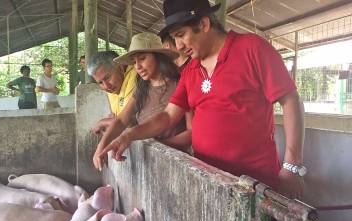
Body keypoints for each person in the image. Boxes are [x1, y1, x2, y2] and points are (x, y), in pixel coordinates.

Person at [98, 0, 305, 199]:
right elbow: (168, 116)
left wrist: (291, 166)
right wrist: (129, 135)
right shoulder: (190, 71)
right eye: (174, 38)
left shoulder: (252, 48)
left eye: (181, 35)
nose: (178, 46)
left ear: (204, 24)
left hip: (254, 183)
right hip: (208, 179)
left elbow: (291, 101)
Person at [92, 32, 192, 171]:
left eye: (143, 58)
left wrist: (160, 146)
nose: (137, 66)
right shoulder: (142, 89)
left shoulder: (181, 84)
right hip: (152, 164)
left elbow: (191, 133)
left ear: (159, 57)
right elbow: (121, 121)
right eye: (134, 62)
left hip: (178, 165)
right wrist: (100, 147)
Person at [87, 51, 138, 134]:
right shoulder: (114, 86)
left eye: (107, 78)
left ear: (121, 67)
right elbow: (119, 120)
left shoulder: (135, 74)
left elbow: (128, 122)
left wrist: (104, 122)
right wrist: (114, 120)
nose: (106, 86)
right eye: (100, 82)